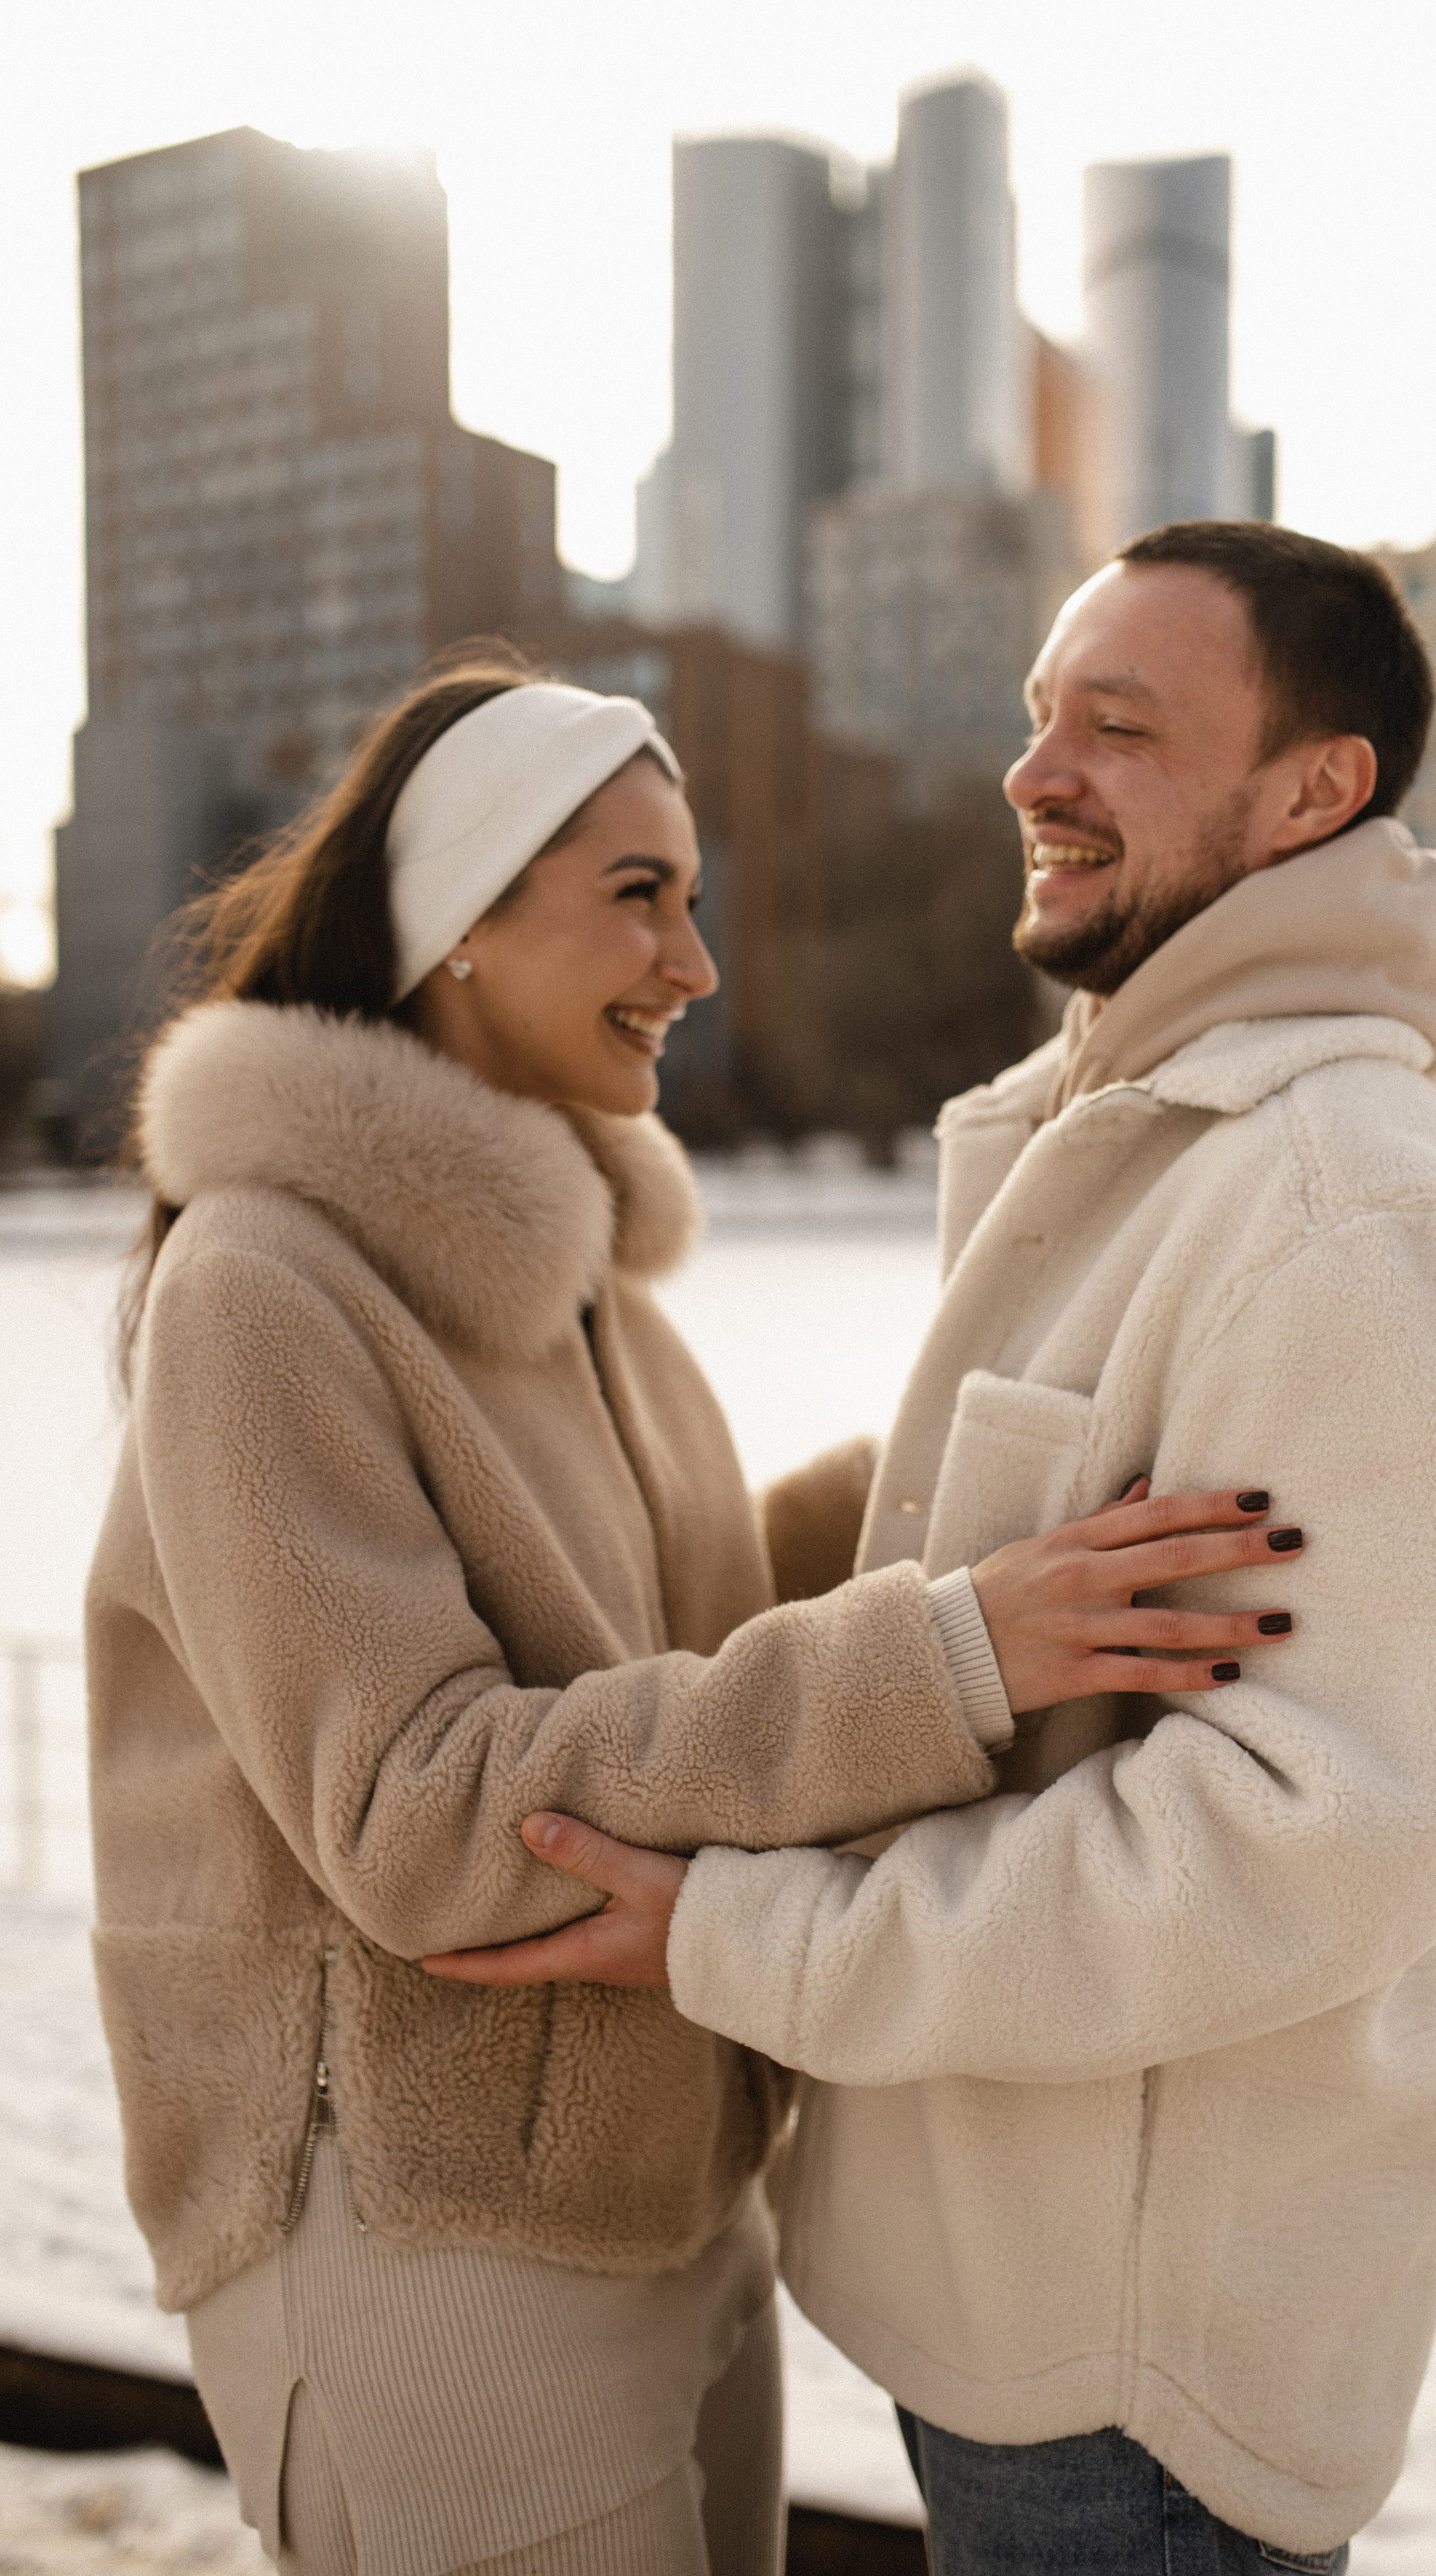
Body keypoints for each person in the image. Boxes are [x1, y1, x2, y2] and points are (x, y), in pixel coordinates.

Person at [435, 527, 1436, 2575]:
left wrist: (745, 1938)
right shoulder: (1150, 1148)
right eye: (1041, 715)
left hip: (1131, 2384)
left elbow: (1307, 1840)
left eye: (1118, 728)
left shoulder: (1349, 1213)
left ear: (1314, 791)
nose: (1034, 773)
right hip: (1003, 2305)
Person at [85, 655, 1307, 2576]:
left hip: (660, 2178)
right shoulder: (264, 1287)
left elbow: (681, 1632)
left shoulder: (585, 1288)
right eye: (638, 895)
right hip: (417, 2227)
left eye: (695, 897)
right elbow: (425, 1814)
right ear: (460, 917)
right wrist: (957, 1648)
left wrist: (991, 1483)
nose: (696, 963)